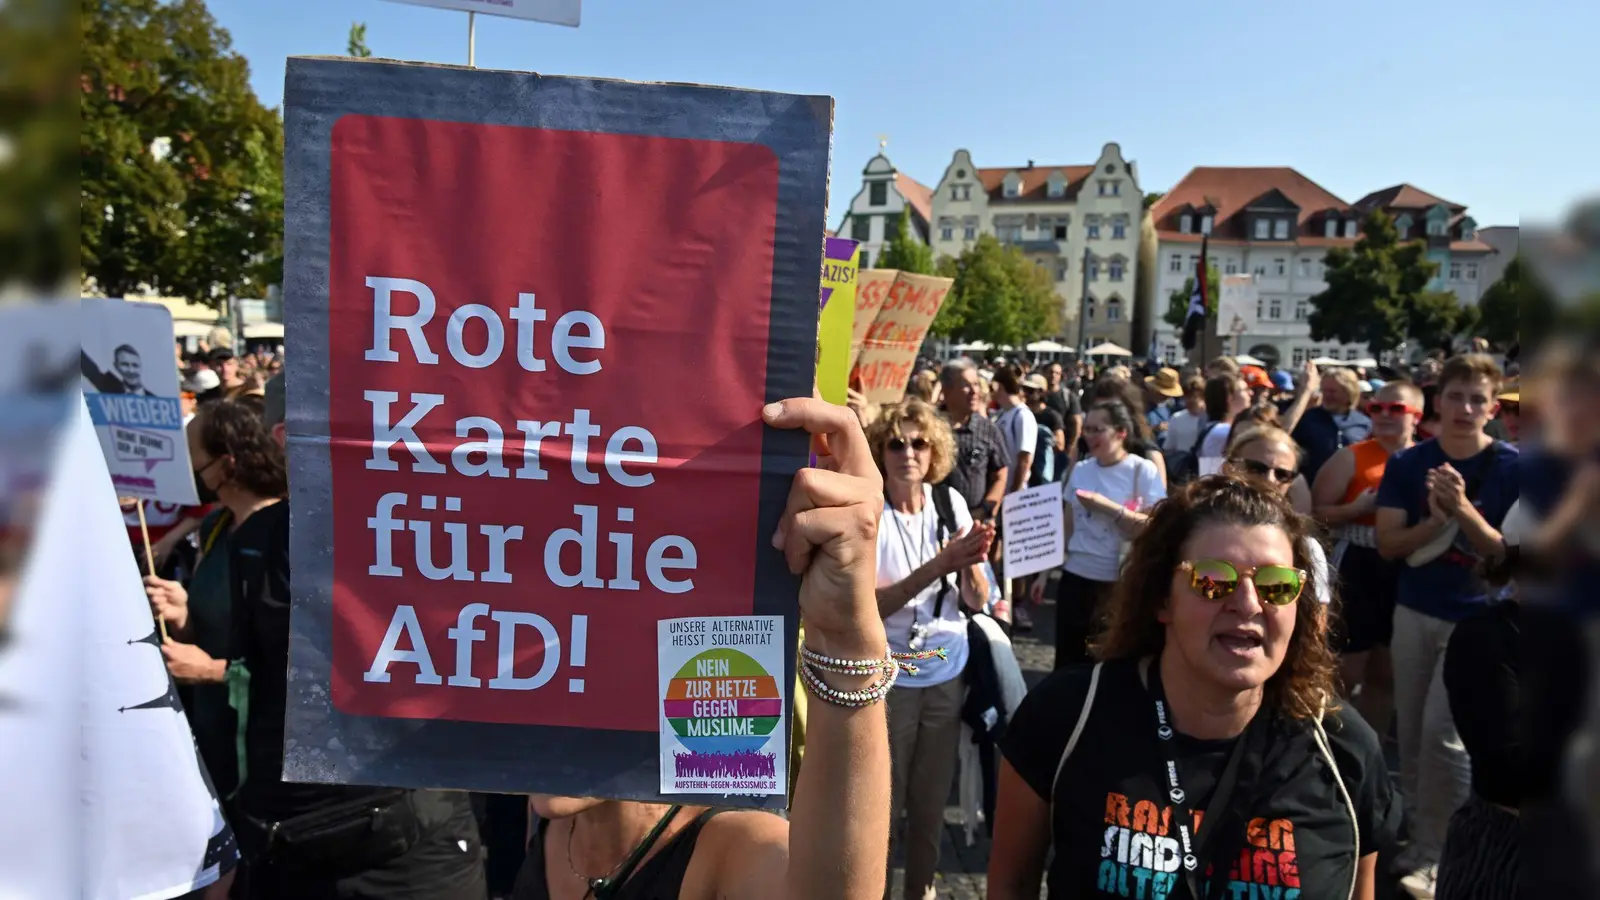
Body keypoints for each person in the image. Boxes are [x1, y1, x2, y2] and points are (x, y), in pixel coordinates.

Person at [514, 397, 894, 900]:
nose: (545, 679)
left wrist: (845, 636)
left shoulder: (729, 842)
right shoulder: (549, 812)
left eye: (583, 655)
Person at [989, 477, 1400, 900]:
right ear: (1162, 600)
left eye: (1276, 584)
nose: (1248, 602)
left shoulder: (1344, 747)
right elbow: (1010, 885)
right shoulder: (1068, 716)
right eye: (1213, 580)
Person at [212, 376, 488, 898]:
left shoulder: (436, 529)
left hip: (413, 844)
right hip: (289, 840)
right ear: (283, 436)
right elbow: (248, 686)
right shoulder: (255, 541)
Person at [1375, 354, 1520, 897]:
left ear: (1493, 406)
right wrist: (1432, 522)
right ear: (1437, 401)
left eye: (1479, 399)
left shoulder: (1514, 466)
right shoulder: (1409, 464)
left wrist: (1460, 510)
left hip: (1479, 623)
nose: (1466, 409)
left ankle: (1440, 853)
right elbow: (1389, 545)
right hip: (1414, 611)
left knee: (1445, 739)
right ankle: (1419, 839)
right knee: (1410, 733)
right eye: (1457, 396)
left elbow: (1509, 556)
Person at [866, 399, 993, 900]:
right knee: (884, 805)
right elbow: (868, 607)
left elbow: (977, 599)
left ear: (935, 450)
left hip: (944, 666)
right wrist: (939, 565)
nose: (908, 453)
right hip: (891, 673)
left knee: (930, 803)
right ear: (880, 449)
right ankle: (872, 889)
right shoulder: (871, 512)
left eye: (919, 443)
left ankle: (919, 892)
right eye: (896, 443)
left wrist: (973, 563)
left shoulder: (950, 504)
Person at [144, 399, 288, 797]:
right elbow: (211, 629)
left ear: (227, 465)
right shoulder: (215, 526)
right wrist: (184, 614)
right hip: (214, 731)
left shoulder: (283, 536)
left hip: (260, 748)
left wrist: (214, 672)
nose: (187, 470)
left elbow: (296, 669)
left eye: (193, 457)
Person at [1312, 380, 1424, 739]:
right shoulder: (1353, 455)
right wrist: (1355, 509)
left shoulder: (1428, 458)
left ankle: (1367, 752)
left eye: (1397, 409)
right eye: (1378, 408)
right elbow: (1316, 512)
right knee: (1345, 669)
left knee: (1386, 672)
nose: (1386, 415)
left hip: (1407, 565)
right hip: (1358, 563)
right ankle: (1329, 746)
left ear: (1417, 417)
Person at [1050, 400, 1165, 669]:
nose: (1089, 436)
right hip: (1075, 577)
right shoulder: (1081, 469)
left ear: (1121, 432)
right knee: (1067, 661)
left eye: (1097, 429)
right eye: (1086, 429)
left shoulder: (1141, 470)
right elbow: (1067, 524)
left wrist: (1107, 507)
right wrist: (1045, 574)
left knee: (1108, 662)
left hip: (1115, 582)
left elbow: (1154, 528)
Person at [937, 360, 1007, 522]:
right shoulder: (929, 427)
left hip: (974, 524)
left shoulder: (988, 429)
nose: (975, 391)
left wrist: (986, 511)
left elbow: (1000, 476)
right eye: (966, 385)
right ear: (947, 390)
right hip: (933, 524)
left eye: (976, 384)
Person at [1284, 363, 1373, 483]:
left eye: (1332, 391)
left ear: (1349, 392)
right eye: (1324, 390)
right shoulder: (1308, 419)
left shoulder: (1365, 423)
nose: (1326, 396)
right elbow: (1284, 435)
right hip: (1311, 488)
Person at [991, 369, 1038, 497]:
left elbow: (1025, 459)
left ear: (999, 386)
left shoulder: (1023, 415)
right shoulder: (1003, 414)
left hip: (1012, 494)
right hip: (1000, 491)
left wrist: (1014, 493)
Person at [1197, 373, 1252, 474]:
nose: (1251, 393)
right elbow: (1214, 476)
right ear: (1229, 397)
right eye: (1244, 390)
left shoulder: (1216, 428)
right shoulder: (1222, 432)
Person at [1043, 361, 1083, 458]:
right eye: (1051, 372)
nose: (1053, 375)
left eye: (1057, 373)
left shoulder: (1068, 396)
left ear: (1061, 376)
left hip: (1060, 449)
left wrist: (1071, 447)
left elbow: (1077, 422)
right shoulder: (1037, 394)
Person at [1163, 375, 1207, 455]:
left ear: (1203, 396)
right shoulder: (1177, 418)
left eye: (1193, 396)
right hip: (1184, 464)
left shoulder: (1212, 418)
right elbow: (1169, 448)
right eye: (1186, 396)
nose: (1189, 400)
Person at [1142, 367, 1184, 439]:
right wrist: (1153, 429)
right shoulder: (1137, 405)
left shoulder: (1168, 406)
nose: (1167, 397)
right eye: (1163, 395)